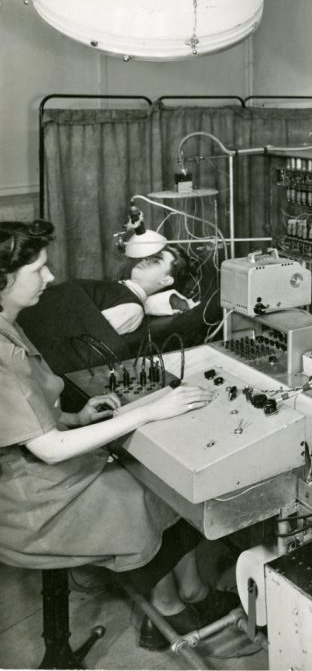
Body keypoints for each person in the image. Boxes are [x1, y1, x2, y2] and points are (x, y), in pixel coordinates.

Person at [0, 220, 234, 650]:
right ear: (3, 280)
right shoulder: (1, 350)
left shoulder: (8, 324)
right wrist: (149, 412)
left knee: (161, 486)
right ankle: (167, 606)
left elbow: (24, 418)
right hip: (30, 501)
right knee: (149, 492)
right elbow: (48, 450)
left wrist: (75, 416)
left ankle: (190, 591)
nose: (50, 279)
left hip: (40, 471)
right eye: (39, 271)